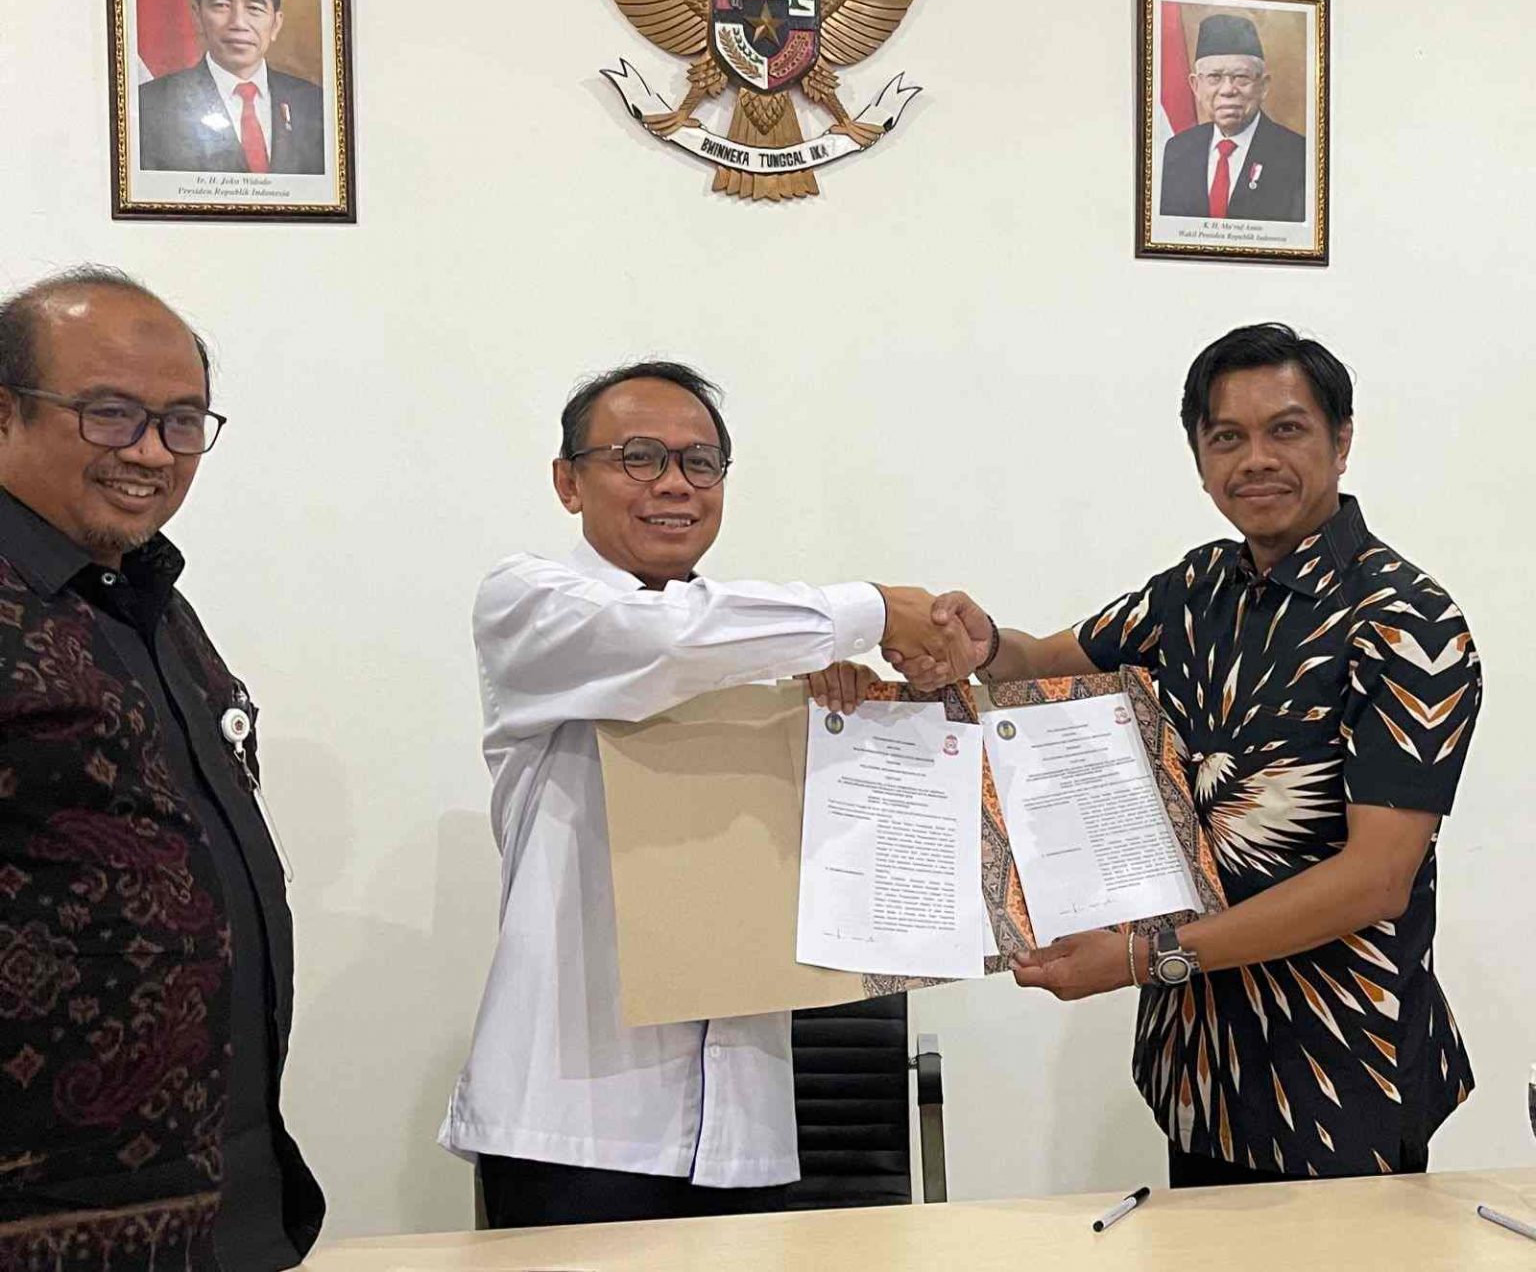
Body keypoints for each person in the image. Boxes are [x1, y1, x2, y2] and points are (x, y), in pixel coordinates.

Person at [889, 324, 1479, 1187]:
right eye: (1226, 437)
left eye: (1286, 429)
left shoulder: (1406, 622)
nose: (1256, 459)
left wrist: (1140, 959)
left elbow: (1375, 880)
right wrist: (985, 645)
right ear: (1200, 460)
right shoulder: (1196, 589)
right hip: (1201, 1062)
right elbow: (1041, 666)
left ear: (1342, 441)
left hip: (1343, 1068)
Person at [438, 359, 977, 1228]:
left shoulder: (762, 644)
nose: (674, 484)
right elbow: (661, 645)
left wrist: (868, 718)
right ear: (568, 482)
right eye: (638, 457)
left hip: (743, 1130)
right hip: (574, 1121)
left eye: (700, 463)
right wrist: (878, 610)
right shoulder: (531, 601)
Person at [0, 267, 322, 1269]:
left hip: (219, 1187)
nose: (150, 451)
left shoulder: (146, 597)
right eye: (110, 413)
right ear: (4, 410)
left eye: (183, 422)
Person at [138, 0, 325, 175]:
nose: (238, 23)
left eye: (254, 8)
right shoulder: (149, 106)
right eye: (221, 6)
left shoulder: (315, 105)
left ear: (276, 24)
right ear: (197, 16)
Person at [1160, 14, 1306, 222]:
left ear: (1263, 86)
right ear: (1196, 86)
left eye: (1241, 77)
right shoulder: (1177, 150)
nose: (1228, 90)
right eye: (1214, 77)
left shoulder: (1298, 157)